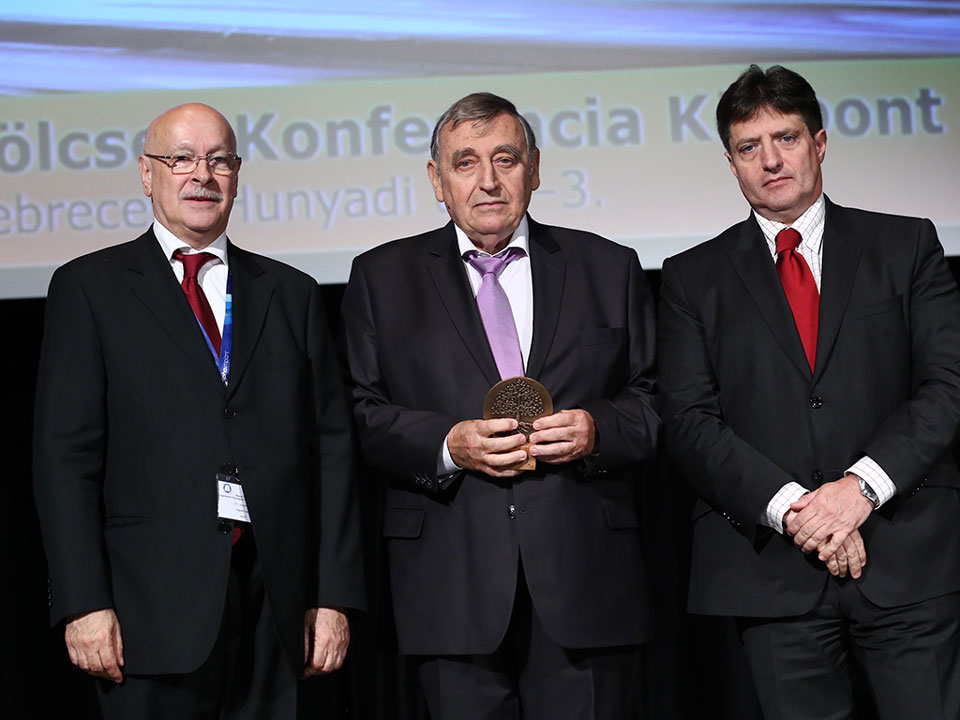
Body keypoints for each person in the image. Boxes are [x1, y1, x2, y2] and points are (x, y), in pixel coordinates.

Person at [33, 103, 365, 719]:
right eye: (181, 158)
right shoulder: (89, 287)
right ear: (146, 173)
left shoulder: (291, 292)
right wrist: (83, 601)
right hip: (145, 609)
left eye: (219, 160)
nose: (202, 175)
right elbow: (65, 458)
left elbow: (333, 452)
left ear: (237, 174)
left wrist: (333, 596)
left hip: (275, 606)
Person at [341, 92, 659, 719]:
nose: (487, 181)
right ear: (437, 180)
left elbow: (653, 401)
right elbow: (358, 413)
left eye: (505, 159)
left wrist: (597, 429)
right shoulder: (381, 278)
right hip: (449, 581)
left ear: (533, 169)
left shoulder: (609, 267)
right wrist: (447, 445)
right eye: (465, 162)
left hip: (584, 577)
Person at [658, 64, 960, 719]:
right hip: (772, 571)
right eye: (748, 147)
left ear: (819, 143)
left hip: (908, 557)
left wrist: (859, 490)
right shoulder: (690, 278)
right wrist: (800, 511)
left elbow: (947, 385)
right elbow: (688, 420)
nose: (770, 160)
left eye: (786, 138)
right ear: (731, 165)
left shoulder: (905, 245)